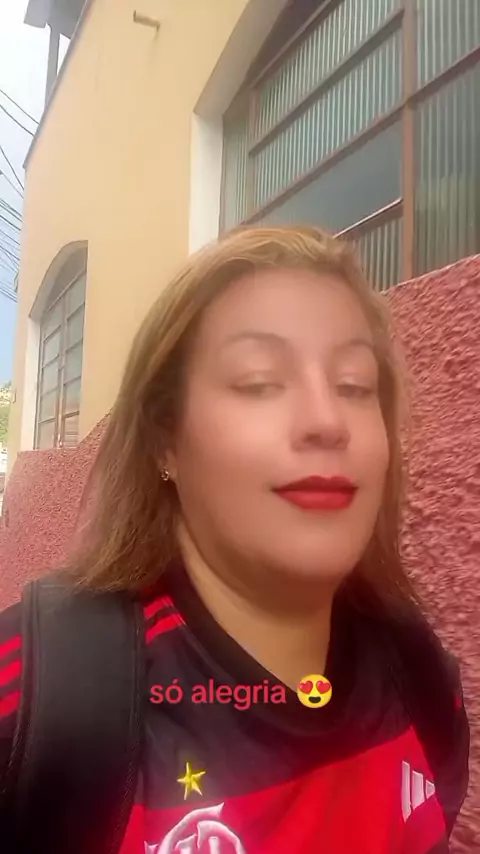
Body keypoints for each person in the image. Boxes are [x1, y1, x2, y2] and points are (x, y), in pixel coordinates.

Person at [0, 226, 469, 853]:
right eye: (258, 381)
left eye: (355, 386)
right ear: (166, 440)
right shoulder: (34, 698)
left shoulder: (421, 678)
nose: (327, 421)